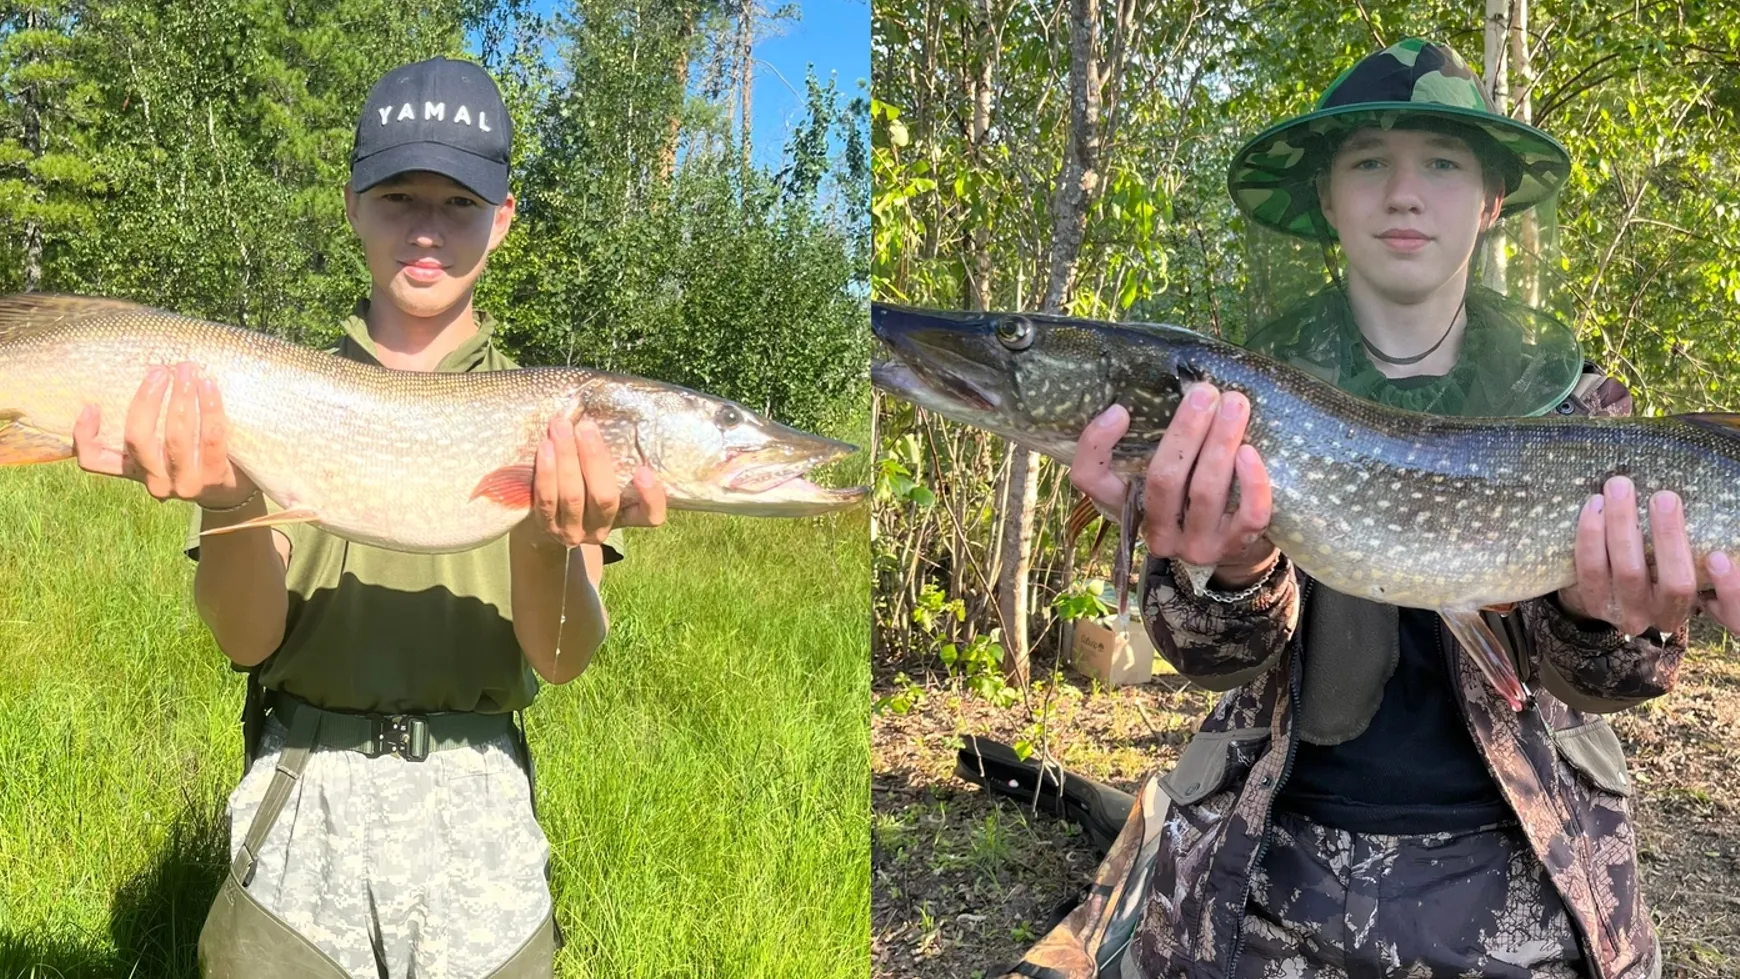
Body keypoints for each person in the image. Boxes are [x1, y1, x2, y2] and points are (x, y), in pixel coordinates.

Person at [1037, 39, 1684, 979]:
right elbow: (1206, 655)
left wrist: (1606, 621)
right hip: (1270, 862)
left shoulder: (1583, 409)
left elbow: (1614, 680)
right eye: (1369, 162)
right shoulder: (1230, 399)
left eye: (1444, 163)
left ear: (1492, 200)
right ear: (1329, 200)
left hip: (1530, 865)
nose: (1405, 192)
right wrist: (1234, 570)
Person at [69, 56, 658, 978]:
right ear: (351, 205)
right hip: (303, 806)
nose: (427, 230)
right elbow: (248, 637)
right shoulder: (261, 392)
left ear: (503, 220)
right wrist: (230, 493)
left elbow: (561, 658)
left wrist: (546, 537)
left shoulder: (560, 421)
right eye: (398, 196)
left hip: (482, 824)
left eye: (459, 203)